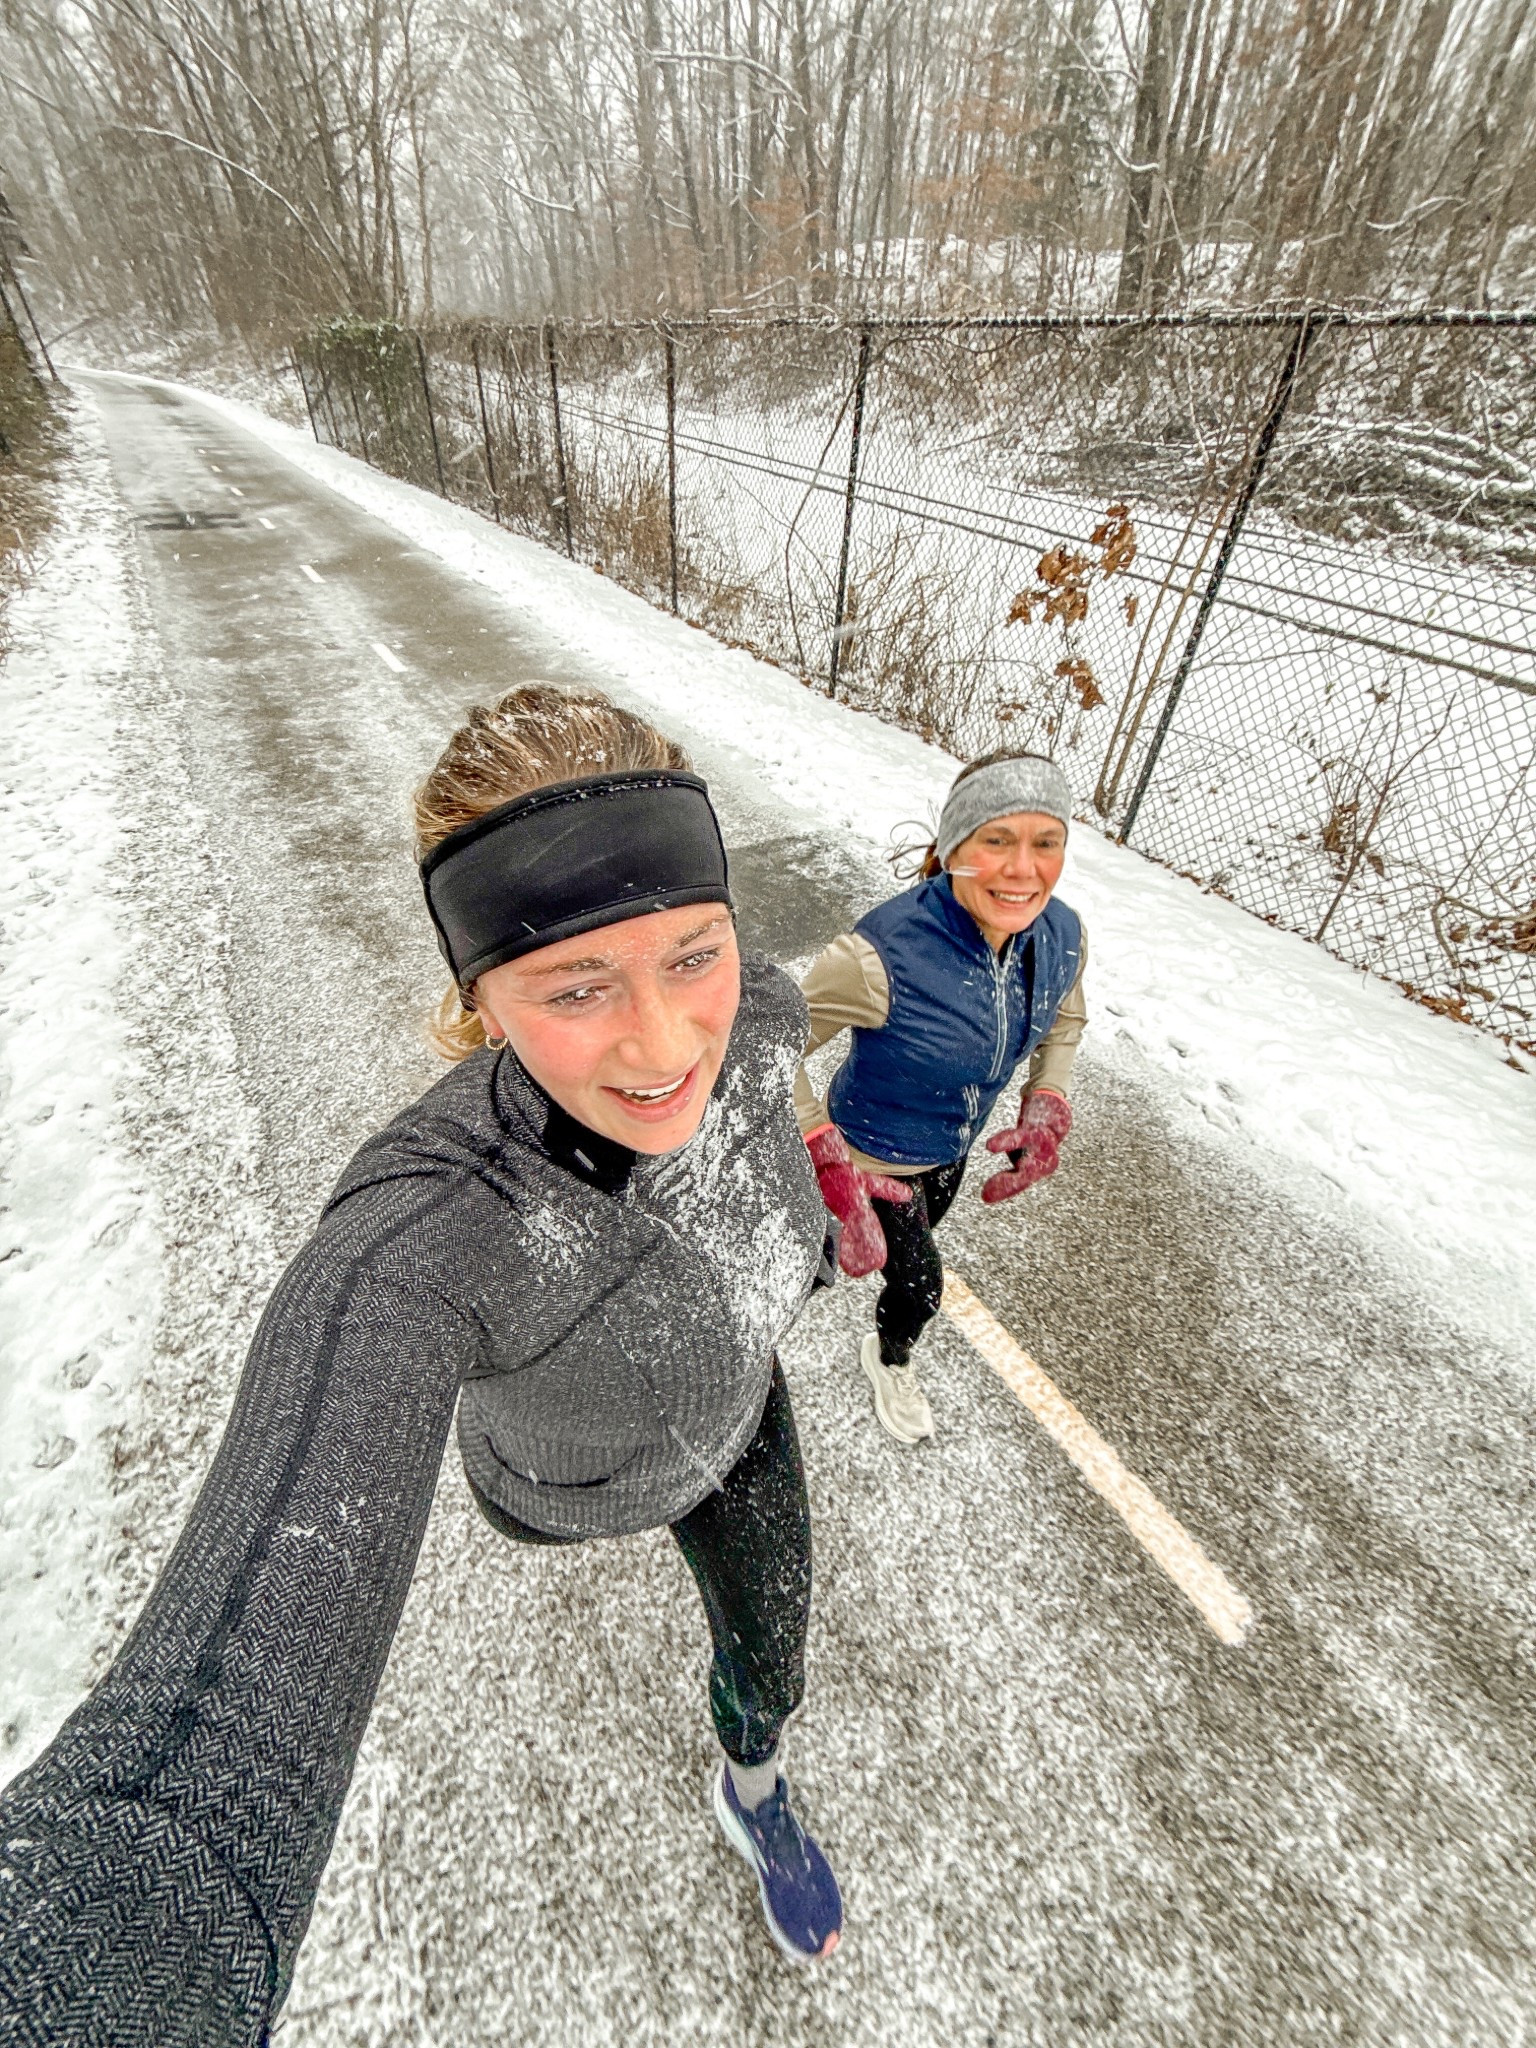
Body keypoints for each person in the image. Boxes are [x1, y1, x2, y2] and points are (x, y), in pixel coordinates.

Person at [0, 684, 843, 2047]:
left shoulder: (760, 1015)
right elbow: (178, 1795)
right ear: (480, 998)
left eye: (695, 952)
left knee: (773, 1651)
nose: (666, 1040)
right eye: (577, 984)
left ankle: (754, 1789)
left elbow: (781, 1061)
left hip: (741, 1418)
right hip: (563, 1482)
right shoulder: (422, 1233)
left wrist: (833, 1187)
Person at [797, 750, 1086, 1445]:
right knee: (918, 1284)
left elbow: (1064, 1020)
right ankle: (883, 1355)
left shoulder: (1062, 935)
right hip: (870, 1160)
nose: (1024, 869)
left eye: (1046, 842)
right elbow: (765, 1047)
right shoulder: (876, 957)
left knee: (893, 1253)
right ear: (954, 848)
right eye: (997, 840)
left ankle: (820, 1251)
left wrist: (1046, 1103)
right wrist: (824, 1154)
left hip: (948, 1155)